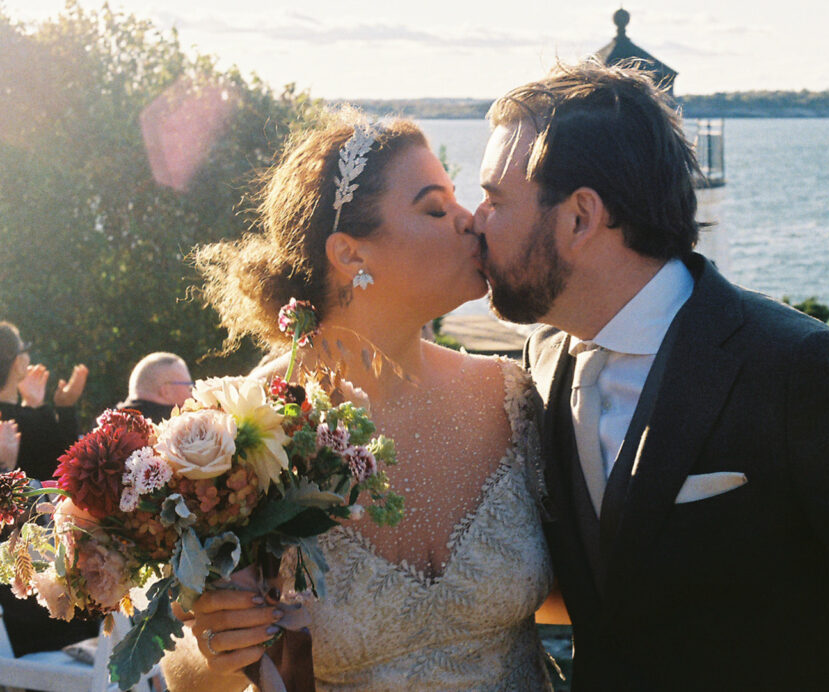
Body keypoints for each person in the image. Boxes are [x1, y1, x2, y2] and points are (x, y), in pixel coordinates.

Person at [473, 61, 829, 690]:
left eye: (494, 198)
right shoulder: (543, 359)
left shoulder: (800, 370)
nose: (474, 220)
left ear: (580, 218)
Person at [160, 109, 553, 690]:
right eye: (436, 208)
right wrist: (214, 649)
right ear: (349, 254)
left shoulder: (511, 397)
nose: (472, 221)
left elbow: (581, 595)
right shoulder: (242, 431)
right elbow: (184, 672)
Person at [0, 321, 96, 656]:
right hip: (25, 596)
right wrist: (4, 467)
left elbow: (63, 469)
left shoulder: (23, 418)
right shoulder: (16, 423)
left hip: (38, 575)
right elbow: (70, 470)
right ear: (18, 363)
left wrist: (49, 406)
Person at [0, 321, 88, 480]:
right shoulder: (32, 422)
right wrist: (65, 407)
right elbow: (71, 466)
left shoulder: (28, 418)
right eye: (24, 348)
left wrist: (31, 404)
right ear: (17, 363)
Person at [117, 351, 193, 422]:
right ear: (166, 391)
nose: (192, 394)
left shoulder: (110, 424)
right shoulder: (172, 428)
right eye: (189, 387)